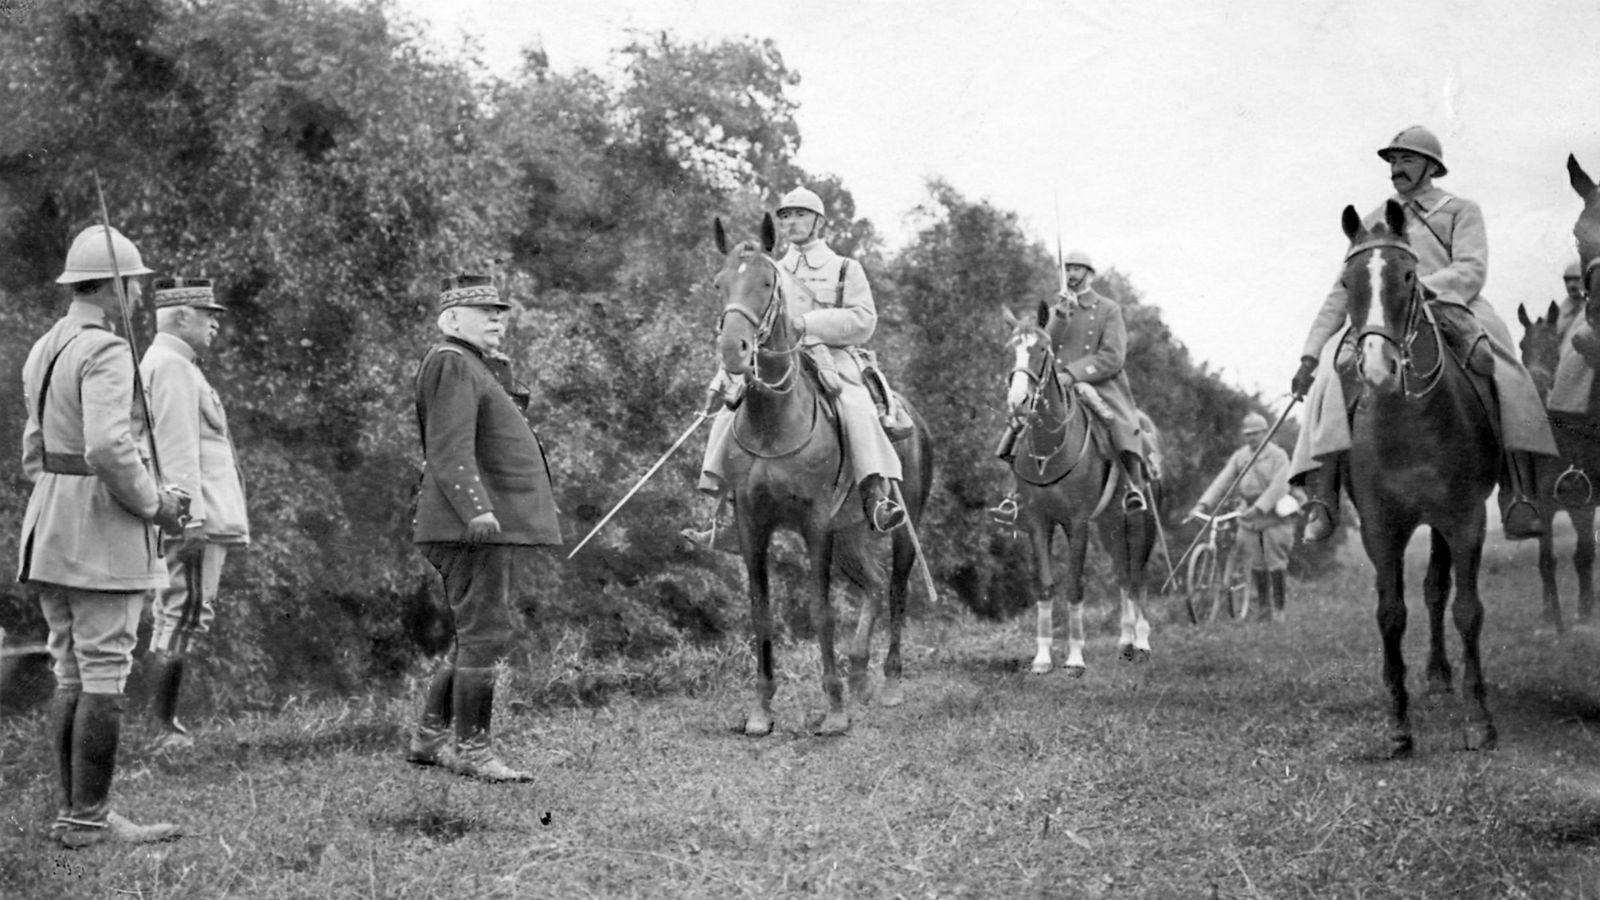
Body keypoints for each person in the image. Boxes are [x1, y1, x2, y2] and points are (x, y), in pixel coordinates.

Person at [1289, 126, 1558, 541]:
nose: (1397, 168)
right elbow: (1344, 286)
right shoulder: (1374, 218)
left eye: (1407, 159)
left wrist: (1423, 289)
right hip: (1386, 311)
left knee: (1504, 366)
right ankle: (1323, 497)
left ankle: (1517, 492)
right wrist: (1309, 353)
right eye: (1393, 161)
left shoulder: (1460, 209)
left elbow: (1472, 268)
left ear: (1431, 166)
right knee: (1331, 369)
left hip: (1452, 303)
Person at [19, 225, 188, 847]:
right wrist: (156, 506)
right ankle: (87, 820)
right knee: (103, 671)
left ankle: (76, 815)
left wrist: (59, 500)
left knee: (72, 668)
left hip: (51, 523)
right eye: (136, 285)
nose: (141, 296)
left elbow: (34, 450)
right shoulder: (108, 350)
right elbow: (109, 448)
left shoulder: (46, 346)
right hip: (100, 530)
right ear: (113, 287)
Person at [683, 186, 907, 548]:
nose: (792, 223)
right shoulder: (769, 269)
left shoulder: (844, 268)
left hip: (833, 357)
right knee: (730, 413)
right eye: (785, 217)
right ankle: (723, 516)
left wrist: (809, 324)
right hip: (776, 358)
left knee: (856, 406)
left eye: (801, 215)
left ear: (818, 222)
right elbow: (749, 320)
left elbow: (864, 320)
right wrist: (726, 373)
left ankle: (876, 497)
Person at [409, 273, 560, 783]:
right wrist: (476, 509)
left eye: (499, 311)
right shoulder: (452, 362)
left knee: (477, 632)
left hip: (472, 523)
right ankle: (473, 752)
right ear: (452, 320)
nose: (497, 318)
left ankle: (429, 741)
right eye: (484, 312)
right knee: (484, 633)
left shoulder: (473, 364)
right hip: (468, 524)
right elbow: (448, 447)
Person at [139, 276, 250, 752]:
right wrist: (191, 520)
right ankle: (160, 727)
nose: (215, 326)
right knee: (183, 613)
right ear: (180, 316)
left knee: (178, 614)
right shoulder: (173, 367)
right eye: (208, 316)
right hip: (192, 517)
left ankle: (160, 723)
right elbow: (176, 451)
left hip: (194, 513)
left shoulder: (174, 364)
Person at [991, 250, 1153, 522]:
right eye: (1069, 269)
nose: (1073, 275)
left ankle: (1131, 486)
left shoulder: (1107, 309)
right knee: (1022, 420)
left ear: (1089, 274)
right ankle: (1016, 492)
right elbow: (1042, 348)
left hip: (1097, 382)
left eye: (1078, 269)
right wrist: (1060, 319)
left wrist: (1075, 373)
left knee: (1115, 421)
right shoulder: (1057, 311)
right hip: (1055, 385)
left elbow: (1113, 356)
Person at [1191, 413, 1296, 621]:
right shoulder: (1241, 456)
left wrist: (1259, 507)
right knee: (1256, 563)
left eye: (1256, 434)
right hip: (1248, 515)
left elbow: (1280, 486)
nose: (1252, 438)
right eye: (1248, 434)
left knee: (1275, 563)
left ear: (1266, 432)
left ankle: (1280, 611)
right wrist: (1204, 503)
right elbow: (1223, 479)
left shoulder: (1278, 456)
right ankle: (1264, 610)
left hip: (1274, 514)